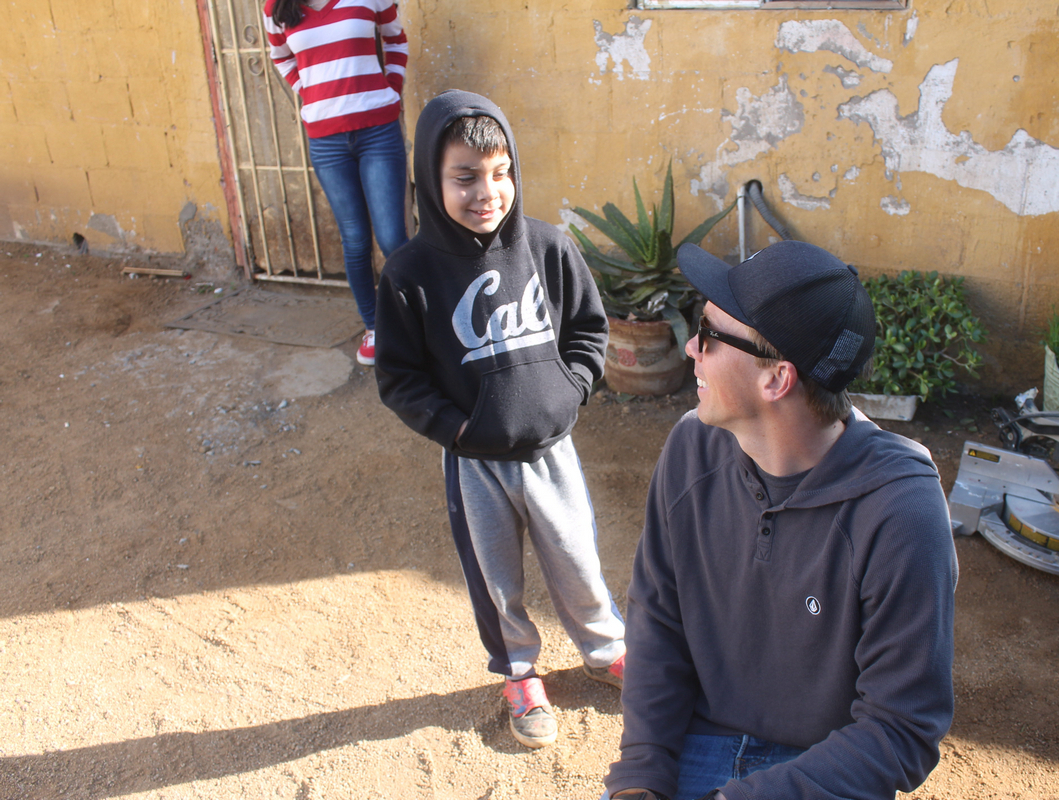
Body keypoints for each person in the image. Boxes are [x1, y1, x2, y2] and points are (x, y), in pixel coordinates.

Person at [603, 241, 957, 800]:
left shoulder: (900, 511)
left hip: (825, 765)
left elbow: (901, 728)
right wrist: (641, 773)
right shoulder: (692, 447)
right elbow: (658, 618)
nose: (691, 346)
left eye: (709, 334)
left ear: (776, 379)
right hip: (698, 739)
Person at [373, 90, 626, 749]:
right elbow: (399, 378)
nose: (487, 192)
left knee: (577, 556)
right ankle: (519, 671)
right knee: (495, 578)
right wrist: (458, 430)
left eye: (500, 172)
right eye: (464, 177)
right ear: (429, 181)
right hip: (476, 463)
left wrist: (570, 392)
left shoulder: (549, 248)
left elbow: (589, 332)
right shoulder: (409, 275)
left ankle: (606, 651)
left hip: (552, 452)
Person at [263, 0, 410, 366]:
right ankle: (374, 327)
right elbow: (281, 58)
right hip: (326, 141)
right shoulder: (276, 8)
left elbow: (395, 39)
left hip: (378, 132)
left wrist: (392, 88)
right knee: (355, 239)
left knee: (392, 238)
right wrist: (311, 93)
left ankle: (416, 324)